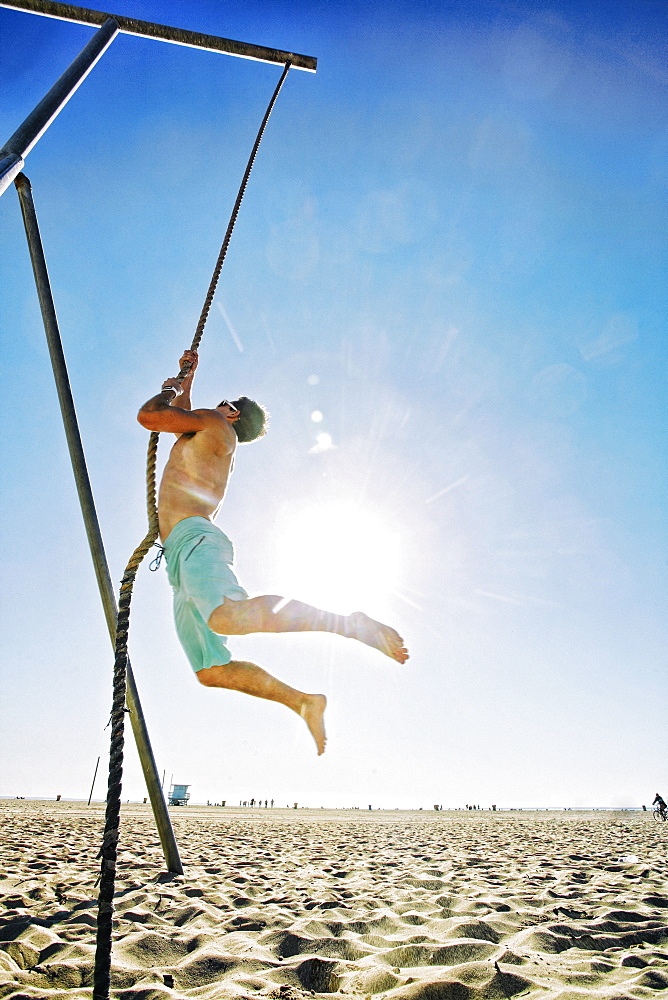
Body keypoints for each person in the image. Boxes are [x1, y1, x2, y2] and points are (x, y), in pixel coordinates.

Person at [137, 349, 408, 755]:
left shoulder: (212, 424)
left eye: (221, 403)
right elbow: (179, 421)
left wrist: (169, 388)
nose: (213, 405)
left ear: (229, 412)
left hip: (194, 540)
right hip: (180, 552)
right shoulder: (210, 435)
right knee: (211, 671)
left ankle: (351, 623)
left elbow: (151, 417)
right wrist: (188, 381)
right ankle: (303, 701)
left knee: (228, 618)